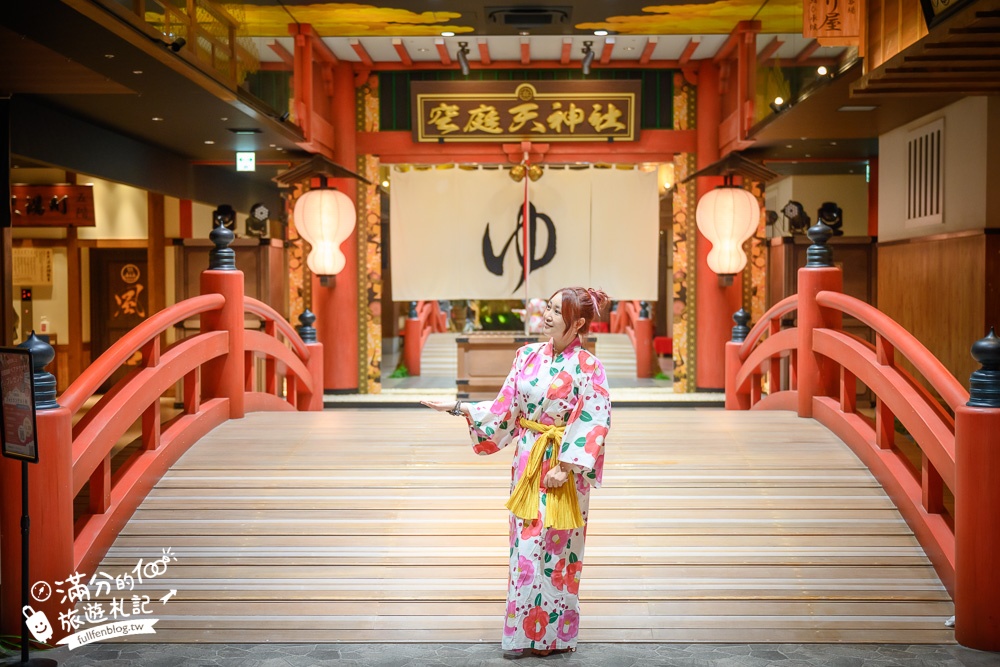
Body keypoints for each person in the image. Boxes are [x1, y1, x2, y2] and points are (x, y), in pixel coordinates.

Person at [423, 287, 612, 659]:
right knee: (525, 547)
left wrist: (568, 466)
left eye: (558, 311)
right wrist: (459, 406)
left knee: (560, 550)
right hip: (528, 463)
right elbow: (503, 410)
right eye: (549, 307)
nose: (547, 315)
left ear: (578, 323)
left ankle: (554, 637)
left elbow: (596, 419)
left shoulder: (589, 367)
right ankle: (522, 634)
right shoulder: (526, 357)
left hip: (563, 468)